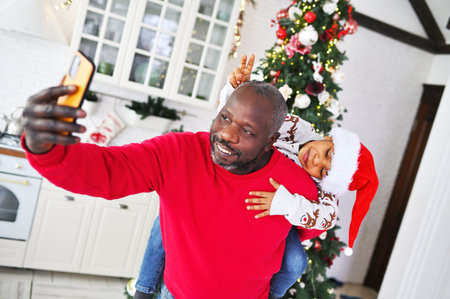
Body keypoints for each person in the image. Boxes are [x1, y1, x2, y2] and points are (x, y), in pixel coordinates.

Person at [22, 80, 320, 299]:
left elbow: (312, 227)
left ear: (270, 142)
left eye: (247, 131)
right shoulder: (179, 152)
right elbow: (107, 171)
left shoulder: (296, 184)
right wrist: (45, 149)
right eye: (225, 118)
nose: (227, 134)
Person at [134, 55, 379, 299]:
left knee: (295, 261)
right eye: (326, 153)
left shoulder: (327, 189)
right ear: (328, 138)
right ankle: (144, 287)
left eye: (324, 170)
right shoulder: (293, 127)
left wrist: (286, 204)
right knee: (168, 217)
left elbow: (326, 218)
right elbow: (238, 121)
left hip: (283, 215)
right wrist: (235, 89)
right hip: (243, 182)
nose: (317, 161)